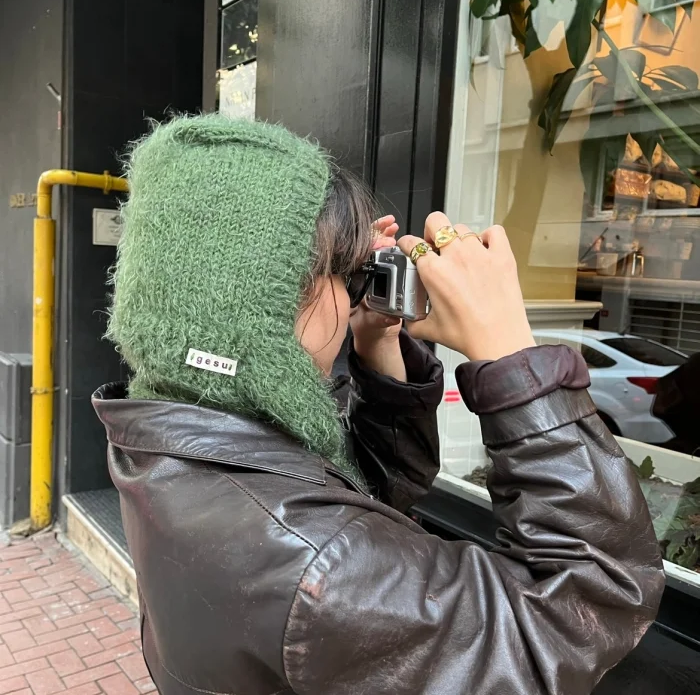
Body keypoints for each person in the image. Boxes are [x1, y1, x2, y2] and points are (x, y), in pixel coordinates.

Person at [93, 115, 664, 695]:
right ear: (260, 305)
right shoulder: (322, 566)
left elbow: (361, 496)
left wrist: (377, 342)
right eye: (342, 276)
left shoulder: (175, 440)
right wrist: (511, 352)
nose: (349, 298)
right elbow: (595, 596)